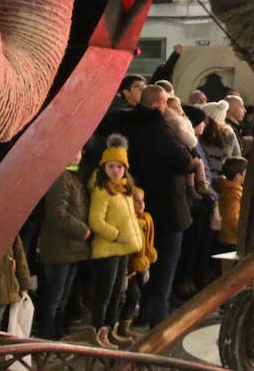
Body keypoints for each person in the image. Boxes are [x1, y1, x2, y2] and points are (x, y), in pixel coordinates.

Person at [105, 85, 193, 327]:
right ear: (157, 105)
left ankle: (138, 312)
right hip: (167, 207)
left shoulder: (122, 124)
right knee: (165, 265)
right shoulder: (159, 129)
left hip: (136, 206)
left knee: (139, 264)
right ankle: (158, 316)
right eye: (165, 104)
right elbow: (185, 161)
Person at [87, 136, 141, 349]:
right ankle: (98, 332)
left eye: (119, 166)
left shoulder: (125, 189)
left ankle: (111, 329)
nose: (115, 171)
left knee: (119, 291)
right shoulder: (102, 191)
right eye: (111, 166)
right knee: (105, 293)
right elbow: (95, 221)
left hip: (122, 249)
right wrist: (116, 234)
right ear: (104, 167)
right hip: (107, 249)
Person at [35, 156, 91, 341]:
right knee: (54, 297)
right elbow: (57, 213)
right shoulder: (60, 178)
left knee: (63, 297)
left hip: (72, 248)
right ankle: (48, 336)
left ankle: (58, 335)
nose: (79, 153)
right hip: (59, 247)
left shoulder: (72, 176)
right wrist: (81, 230)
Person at [121, 187, 157, 343]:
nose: (140, 204)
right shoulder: (126, 221)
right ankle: (113, 327)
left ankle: (124, 326)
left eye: (142, 200)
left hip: (136, 267)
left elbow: (147, 245)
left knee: (133, 296)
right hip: (124, 267)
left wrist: (145, 263)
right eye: (136, 201)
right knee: (120, 297)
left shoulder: (146, 220)